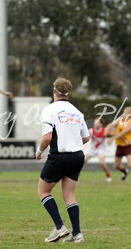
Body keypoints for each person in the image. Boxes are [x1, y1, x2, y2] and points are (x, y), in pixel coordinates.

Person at [35, 77, 90, 243]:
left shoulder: (49, 110)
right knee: (69, 194)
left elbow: (47, 138)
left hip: (59, 156)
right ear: (69, 93)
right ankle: (77, 234)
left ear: (54, 91)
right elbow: (86, 138)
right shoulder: (77, 112)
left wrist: (38, 151)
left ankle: (59, 227)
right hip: (77, 156)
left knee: (43, 191)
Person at [107, 106, 131, 181]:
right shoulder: (120, 120)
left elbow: (122, 133)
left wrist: (112, 138)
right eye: (124, 112)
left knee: (130, 164)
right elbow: (111, 125)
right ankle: (125, 172)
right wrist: (107, 129)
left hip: (127, 146)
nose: (124, 114)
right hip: (119, 145)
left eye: (126, 113)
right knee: (117, 166)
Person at [84, 117, 112, 182]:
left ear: (101, 124)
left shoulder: (104, 130)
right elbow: (84, 137)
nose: (95, 123)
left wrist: (112, 138)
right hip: (92, 149)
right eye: (94, 122)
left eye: (97, 122)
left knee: (102, 163)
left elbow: (112, 133)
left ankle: (108, 175)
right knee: (81, 162)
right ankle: (75, 175)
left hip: (100, 149)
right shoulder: (91, 131)